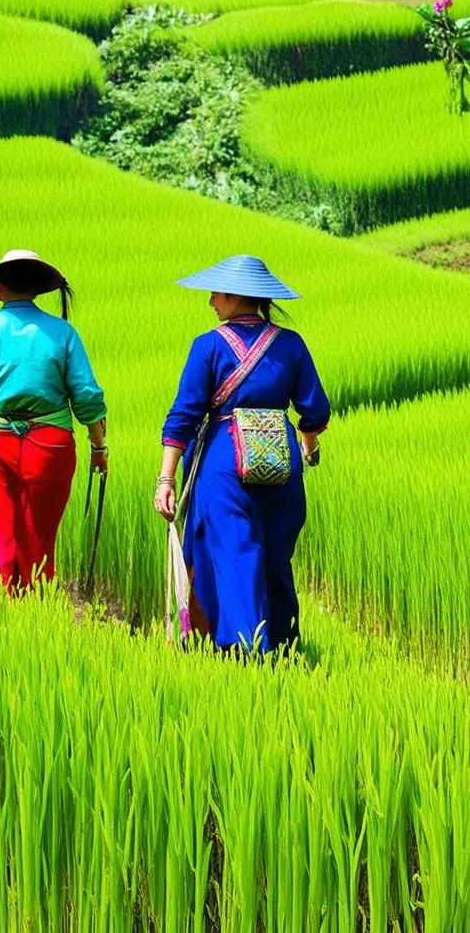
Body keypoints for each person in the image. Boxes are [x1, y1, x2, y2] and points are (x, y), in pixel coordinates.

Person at [155, 255, 331, 654]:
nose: (211, 301)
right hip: (281, 461)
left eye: (216, 293)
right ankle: (282, 643)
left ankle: (245, 652)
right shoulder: (291, 344)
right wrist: (308, 447)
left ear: (235, 296)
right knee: (273, 554)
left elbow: (183, 417)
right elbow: (314, 411)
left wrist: (166, 479)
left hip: (224, 459)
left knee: (235, 553)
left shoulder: (208, 346)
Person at [0, 250, 107, 593]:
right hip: (50, 446)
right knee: (38, 536)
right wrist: (98, 446)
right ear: (36, 288)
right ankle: (34, 609)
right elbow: (88, 397)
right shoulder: (63, 333)